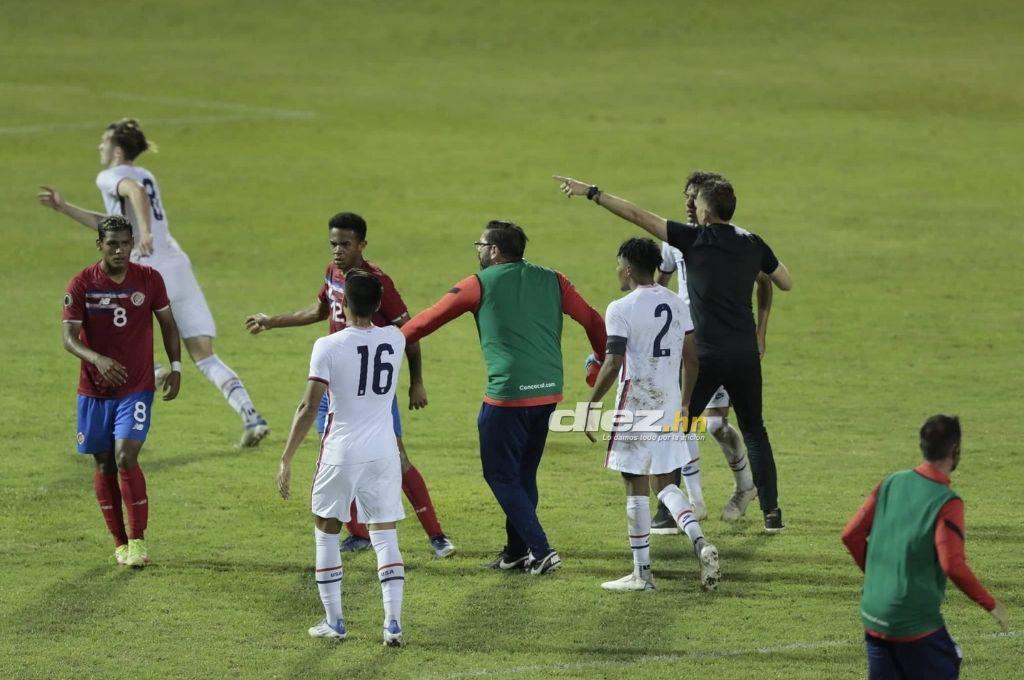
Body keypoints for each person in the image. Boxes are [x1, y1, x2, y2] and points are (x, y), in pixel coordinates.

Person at [555, 175, 792, 532]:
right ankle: (772, 513)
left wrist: (592, 193)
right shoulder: (753, 243)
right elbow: (783, 281)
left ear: (707, 211)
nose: (691, 205)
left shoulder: (693, 238)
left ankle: (670, 510)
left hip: (706, 352)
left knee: (677, 426)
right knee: (754, 429)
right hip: (744, 352)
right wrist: (760, 326)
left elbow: (638, 216)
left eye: (696, 202)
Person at [39, 118, 268, 448]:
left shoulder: (112, 176)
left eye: (104, 143)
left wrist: (143, 233)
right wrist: (64, 208)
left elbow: (134, 193)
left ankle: (156, 371)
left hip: (148, 271)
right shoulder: (147, 174)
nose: (100, 148)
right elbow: (113, 222)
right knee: (204, 355)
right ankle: (250, 415)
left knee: (111, 333)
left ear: (117, 151)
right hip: (178, 266)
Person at [400, 220, 607, 575]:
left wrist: (375, 344)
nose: (478, 250)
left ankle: (541, 551)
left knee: (500, 475)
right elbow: (592, 319)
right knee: (524, 476)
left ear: (494, 251)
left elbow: (424, 323)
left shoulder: (478, 284)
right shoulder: (554, 279)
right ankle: (516, 552)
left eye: (480, 244)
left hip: (507, 395)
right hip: (548, 393)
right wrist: (601, 358)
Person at [246, 212, 454, 558]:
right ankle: (358, 534)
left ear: (362, 245)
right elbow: (319, 311)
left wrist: (416, 382)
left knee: (397, 457)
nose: (337, 250)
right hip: (332, 385)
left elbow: (411, 333)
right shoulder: (332, 274)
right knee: (336, 455)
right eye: (333, 244)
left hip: (371, 389)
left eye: (345, 244)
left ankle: (437, 536)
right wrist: (272, 321)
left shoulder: (376, 283)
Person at [276, 271, 408, 646]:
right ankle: (392, 623)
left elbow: (308, 405)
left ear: (344, 305)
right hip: (383, 450)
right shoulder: (395, 339)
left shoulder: (328, 346)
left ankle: (335, 622)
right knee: (385, 533)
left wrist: (286, 457)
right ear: (379, 305)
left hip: (342, 450)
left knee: (326, 530)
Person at [586, 237, 719, 592]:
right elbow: (692, 359)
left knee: (634, 484)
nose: (616, 270)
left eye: (618, 264)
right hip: (670, 401)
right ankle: (701, 542)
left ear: (628, 268)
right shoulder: (676, 303)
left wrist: (592, 402)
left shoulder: (620, 307)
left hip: (636, 403)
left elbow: (613, 362)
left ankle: (642, 574)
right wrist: (687, 402)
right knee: (665, 484)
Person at [842, 415, 1009, 679]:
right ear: (955, 451)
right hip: (912, 620)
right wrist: (990, 603)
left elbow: (851, 535)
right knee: (949, 661)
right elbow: (952, 564)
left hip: (873, 611)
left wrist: (879, 578)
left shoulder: (891, 482)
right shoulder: (947, 502)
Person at [651, 170, 772, 531]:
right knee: (680, 423)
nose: (689, 204)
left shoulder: (736, 241)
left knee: (716, 424)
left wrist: (760, 333)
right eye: (686, 197)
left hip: (720, 341)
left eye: (695, 198)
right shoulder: (675, 242)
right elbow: (659, 288)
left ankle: (744, 488)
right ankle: (692, 502)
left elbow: (767, 281)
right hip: (687, 344)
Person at [62, 215, 182, 568]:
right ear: (99, 245)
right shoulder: (83, 284)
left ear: (132, 243)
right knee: (103, 464)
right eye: (112, 244)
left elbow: (169, 325)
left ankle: (138, 541)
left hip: (136, 387)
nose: (120, 250)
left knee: (125, 457)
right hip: (94, 391)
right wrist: (96, 358)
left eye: (125, 243)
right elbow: (68, 338)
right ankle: (119, 542)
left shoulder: (149, 279)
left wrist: (175, 368)